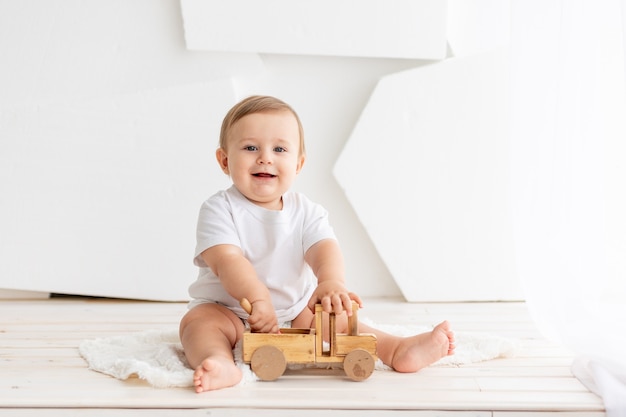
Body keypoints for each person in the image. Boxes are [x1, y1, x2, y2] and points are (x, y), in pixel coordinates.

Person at [179, 95, 455, 393]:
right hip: (229, 309)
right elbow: (227, 261)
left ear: (298, 164)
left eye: (279, 149)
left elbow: (323, 247)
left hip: (295, 310)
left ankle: (394, 349)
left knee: (336, 320)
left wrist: (330, 282)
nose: (265, 158)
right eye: (250, 148)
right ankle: (218, 362)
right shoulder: (219, 209)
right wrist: (258, 299)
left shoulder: (306, 211)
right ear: (224, 160)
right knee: (198, 324)